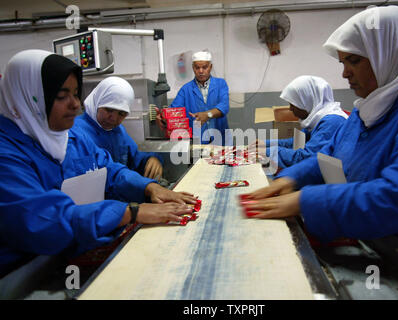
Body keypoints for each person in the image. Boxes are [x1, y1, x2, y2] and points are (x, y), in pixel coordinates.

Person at [243, 6, 398, 246]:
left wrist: (305, 201)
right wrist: (291, 179)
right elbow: (330, 158)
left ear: (390, 53)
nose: (344, 74)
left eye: (354, 61)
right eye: (343, 62)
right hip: (363, 233)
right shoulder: (368, 107)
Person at [0, 50, 196, 278]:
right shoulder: (7, 154)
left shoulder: (68, 136)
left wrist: (149, 187)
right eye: (62, 96)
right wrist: (129, 212)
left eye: (75, 94)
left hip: (73, 249)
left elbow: (109, 170)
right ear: (28, 96)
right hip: (24, 273)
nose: (75, 104)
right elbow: (44, 220)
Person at [73, 76, 164, 180]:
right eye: (108, 110)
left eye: (121, 114)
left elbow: (137, 156)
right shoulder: (75, 132)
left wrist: (151, 159)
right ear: (97, 102)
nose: (113, 118)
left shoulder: (118, 131)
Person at [253, 75, 348, 169]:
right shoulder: (316, 119)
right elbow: (296, 142)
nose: (290, 109)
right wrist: (265, 144)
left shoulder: (331, 122)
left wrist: (268, 152)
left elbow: (306, 158)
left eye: (293, 104)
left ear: (307, 101)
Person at [168, 51, 230, 145]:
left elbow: (224, 106)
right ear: (193, 68)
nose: (201, 71)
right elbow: (174, 110)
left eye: (204, 67)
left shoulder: (221, 84)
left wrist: (207, 115)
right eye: (197, 67)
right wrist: (164, 118)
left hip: (221, 139)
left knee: (222, 159)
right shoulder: (186, 89)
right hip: (198, 141)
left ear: (210, 67)